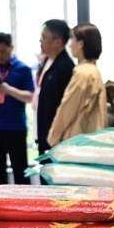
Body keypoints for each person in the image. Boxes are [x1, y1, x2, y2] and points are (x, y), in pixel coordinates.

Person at [0, 32, 33, 185]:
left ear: (11, 48)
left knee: (20, 170)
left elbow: (29, 97)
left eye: (2, 51)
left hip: (16, 127)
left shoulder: (23, 69)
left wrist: (8, 90)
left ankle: (24, 200)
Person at [46, 23, 107, 145]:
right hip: (90, 138)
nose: (70, 44)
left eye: (73, 39)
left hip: (78, 141)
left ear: (81, 44)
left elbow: (67, 108)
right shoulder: (93, 71)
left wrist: (53, 137)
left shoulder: (82, 73)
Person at [34, 19, 74, 154]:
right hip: (43, 131)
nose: (40, 41)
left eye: (44, 37)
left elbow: (65, 107)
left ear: (58, 41)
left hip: (56, 136)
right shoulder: (47, 61)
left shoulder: (65, 67)